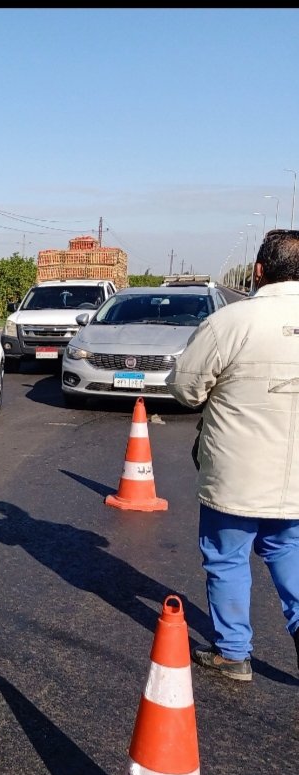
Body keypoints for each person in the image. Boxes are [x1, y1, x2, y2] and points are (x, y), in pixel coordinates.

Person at [165, 228, 299, 682]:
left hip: (236, 474)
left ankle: (233, 653)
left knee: (227, 557)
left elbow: (186, 389)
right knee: (289, 554)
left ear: (259, 270)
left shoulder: (231, 322)